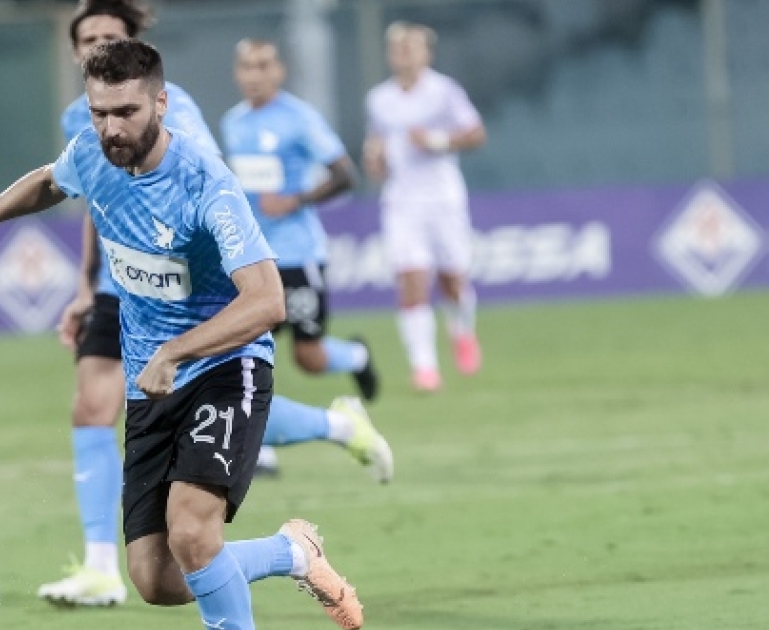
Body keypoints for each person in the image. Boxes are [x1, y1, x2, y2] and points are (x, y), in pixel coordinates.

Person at [0, 40, 366, 630]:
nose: (111, 128)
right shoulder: (92, 153)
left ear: (160, 104)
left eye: (126, 112)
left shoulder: (205, 183)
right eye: (99, 113)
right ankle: (292, 553)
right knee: (158, 580)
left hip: (224, 366)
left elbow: (267, 301)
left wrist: (176, 350)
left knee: (192, 533)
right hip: (152, 384)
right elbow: (49, 182)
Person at [42, 1, 392, 608]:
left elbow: (197, 186)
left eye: (109, 34)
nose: (97, 45)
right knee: (93, 418)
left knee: (195, 518)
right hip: (123, 292)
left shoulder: (176, 117)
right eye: (87, 38)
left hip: (198, 293)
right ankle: (108, 562)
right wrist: (85, 285)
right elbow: (93, 196)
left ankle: (336, 423)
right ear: (77, 53)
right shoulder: (85, 119)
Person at [222, 38, 380, 470]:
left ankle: (356, 356)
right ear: (237, 73)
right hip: (250, 257)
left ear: (279, 71)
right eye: (247, 66)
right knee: (241, 353)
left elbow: (345, 174)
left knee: (308, 357)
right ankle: (259, 448)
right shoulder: (233, 122)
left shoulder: (299, 118)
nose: (254, 75)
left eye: (263, 65)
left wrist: (295, 200)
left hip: (296, 254)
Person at [363, 21, 487, 392]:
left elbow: (476, 133)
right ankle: (424, 367)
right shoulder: (379, 99)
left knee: (452, 279)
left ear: (426, 54)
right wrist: (375, 160)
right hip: (402, 201)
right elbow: (377, 149)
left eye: (411, 47)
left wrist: (435, 140)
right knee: (411, 278)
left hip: (443, 197)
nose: (403, 54)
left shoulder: (444, 91)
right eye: (398, 47)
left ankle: (462, 330)